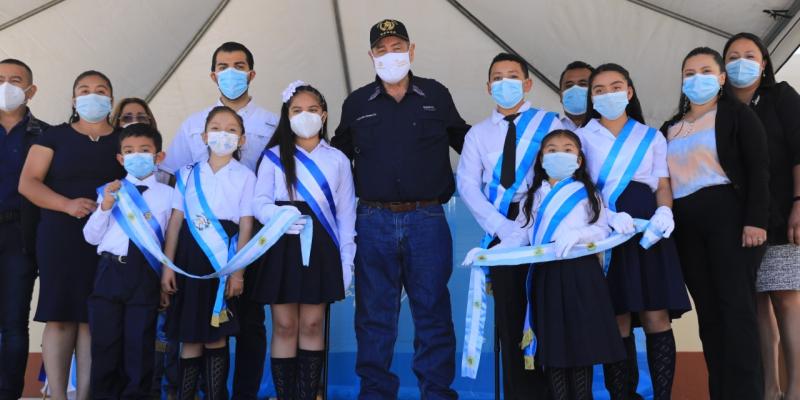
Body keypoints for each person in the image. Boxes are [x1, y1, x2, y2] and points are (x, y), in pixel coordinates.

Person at [332, 19, 470, 399]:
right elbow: (334, 159)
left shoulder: (436, 95)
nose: (390, 55)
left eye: (397, 47)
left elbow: (468, 143)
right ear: (371, 55)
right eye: (382, 49)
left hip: (427, 218)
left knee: (433, 312)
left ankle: (437, 393)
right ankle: (375, 393)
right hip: (372, 219)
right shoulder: (356, 103)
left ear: (411, 50)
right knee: (374, 317)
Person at [161, 41, 277, 399]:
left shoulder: (273, 122)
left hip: (250, 236)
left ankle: (243, 393)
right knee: (197, 325)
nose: (231, 73)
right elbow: (170, 176)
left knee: (249, 321)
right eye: (223, 66)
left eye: (239, 65)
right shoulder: (194, 123)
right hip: (195, 243)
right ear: (213, 74)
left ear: (252, 73)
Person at [661, 46, 769, 400]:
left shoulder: (737, 116)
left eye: (705, 71)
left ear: (722, 78)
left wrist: (755, 221)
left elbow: (758, 170)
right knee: (708, 315)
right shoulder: (669, 128)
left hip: (728, 217)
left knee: (736, 311)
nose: (697, 79)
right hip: (686, 226)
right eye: (689, 73)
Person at [577, 63, 691, 399]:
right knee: (618, 317)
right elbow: (581, 188)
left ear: (628, 92)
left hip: (648, 232)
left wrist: (665, 212)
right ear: (591, 97)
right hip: (608, 230)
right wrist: (607, 217)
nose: (608, 94)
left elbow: (662, 184)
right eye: (599, 89)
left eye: (615, 87)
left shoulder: (650, 135)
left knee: (657, 316)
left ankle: (662, 395)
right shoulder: (581, 137)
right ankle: (622, 395)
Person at [456, 52, 560, 399]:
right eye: (497, 78)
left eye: (512, 76)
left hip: (545, 228)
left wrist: (531, 222)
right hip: (501, 236)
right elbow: (468, 186)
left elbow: (561, 175)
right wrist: (503, 227)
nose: (505, 83)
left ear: (527, 83)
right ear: (488, 87)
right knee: (512, 321)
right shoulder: (477, 135)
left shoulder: (551, 124)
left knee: (552, 314)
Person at [19, 70, 125, 400]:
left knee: (94, 319)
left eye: (101, 90)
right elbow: (28, 183)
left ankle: (87, 395)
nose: (93, 95)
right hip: (60, 236)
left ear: (111, 98)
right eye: (84, 89)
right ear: (74, 99)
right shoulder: (53, 136)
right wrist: (66, 205)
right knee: (60, 316)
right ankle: (58, 394)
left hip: (109, 241)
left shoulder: (125, 140)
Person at [252, 81, 355, 399]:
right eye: (297, 110)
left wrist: (346, 261)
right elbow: (258, 201)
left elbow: (346, 214)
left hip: (322, 247)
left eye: (312, 110)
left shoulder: (337, 159)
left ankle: (309, 393)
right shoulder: (272, 157)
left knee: (312, 324)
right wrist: (277, 217)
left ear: (324, 116)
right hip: (282, 245)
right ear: (287, 115)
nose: (305, 116)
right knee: (284, 325)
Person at [510, 129, 626, 400]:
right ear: (540, 158)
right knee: (554, 346)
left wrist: (578, 235)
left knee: (580, 346)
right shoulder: (533, 195)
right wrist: (489, 253)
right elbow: (520, 234)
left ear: (580, 159)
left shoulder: (587, 193)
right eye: (551, 150)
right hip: (546, 277)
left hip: (582, 276)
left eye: (567, 149)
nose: (559, 154)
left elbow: (601, 230)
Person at [723, 33, 800, 400]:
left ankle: (796, 388)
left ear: (764, 61)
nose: (740, 62)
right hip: (738, 225)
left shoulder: (781, 97)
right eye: (732, 56)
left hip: (783, 216)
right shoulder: (718, 110)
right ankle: (769, 390)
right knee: (755, 308)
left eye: (749, 55)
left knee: (786, 300)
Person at [161, 105, 255, 400]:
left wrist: (238, 271)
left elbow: (247, 224)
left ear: (242, 139)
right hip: (189, 259)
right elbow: (175, 223)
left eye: (231, 129)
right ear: (203, 136)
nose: (222, 134)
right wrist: (167, 267)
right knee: (190, 337)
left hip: (224, 260)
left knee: (216, 338)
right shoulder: (187, 174)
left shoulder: (246, 176)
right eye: (215, 128)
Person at [82, 123, 171, 399]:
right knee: (106, 343)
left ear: (159, 156)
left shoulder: (170, 195)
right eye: (129, 151)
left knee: (139, 343)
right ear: (120, 158)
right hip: (110, 270)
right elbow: (91, 237)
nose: (137, 156)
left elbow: (169, 239)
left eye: (145, 150)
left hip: (145, 273)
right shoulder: (110, 191)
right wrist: (105, 207)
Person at [0, 58, 50, 400]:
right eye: (0, 79)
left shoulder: (46, 135)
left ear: (30, 91)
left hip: (20, 234)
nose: (7, 86)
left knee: (14, 323)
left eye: (15, 80)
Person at [559, 61, 593, 131]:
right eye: (569, 85)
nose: (575, 89)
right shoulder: (549, 128)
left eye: (583, 84)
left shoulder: (611, 130)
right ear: (561, 96)